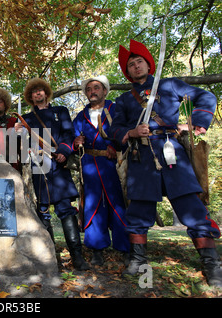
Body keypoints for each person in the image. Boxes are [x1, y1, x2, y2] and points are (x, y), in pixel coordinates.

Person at [109, 39, 221, 287]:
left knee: (191, 205)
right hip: (142, 157)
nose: (136, 67)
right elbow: (115, 129)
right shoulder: (124, 100)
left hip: (173, 153)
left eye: (140, 62)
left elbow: (204, 96)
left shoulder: (170, 85)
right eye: (131, 65)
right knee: (138, 209)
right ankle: (138, 261)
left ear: (149, 64)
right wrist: (131, 133)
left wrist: (194, 124)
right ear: (127, 72)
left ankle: (211, 264)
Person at [19, 77, 89, 270]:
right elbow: (22, 145)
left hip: (59, 167)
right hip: (39, 168)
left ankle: (77, 257)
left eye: (41, 90)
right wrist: (17, 132)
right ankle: (50, 259)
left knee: (66, 211)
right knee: (43, 212)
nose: (38, 93)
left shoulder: (61, 111)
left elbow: (69, 135)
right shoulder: (27, 118)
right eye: (34, 92)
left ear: (46, 93)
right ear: (31, 97)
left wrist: (65, 152)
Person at [72, 75, 130, 266]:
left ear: (105, 91)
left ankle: (125, 247)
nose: (92, 92)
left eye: (96, 88)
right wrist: (75, 142)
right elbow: (73, 138)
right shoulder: (81, 116)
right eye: (88, 89)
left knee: (118, 204)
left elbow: (126, 132)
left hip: (115, 165)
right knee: (93, 205)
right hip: (89, 165)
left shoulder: (116, 109)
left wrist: (117, 146)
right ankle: (97, 249)